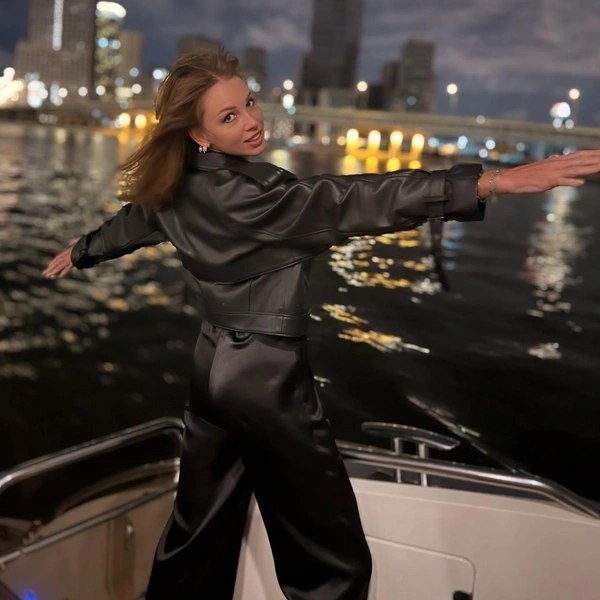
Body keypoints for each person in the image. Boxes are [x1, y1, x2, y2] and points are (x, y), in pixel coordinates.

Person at [42, 47, 600, 599]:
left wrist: (84, 250)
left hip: (211, 371)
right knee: (330, 560)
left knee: (197, 531)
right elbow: (352, 198)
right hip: (265, 379)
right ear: (199, 134)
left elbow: (133, 222)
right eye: (229, 116)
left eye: (249, 102)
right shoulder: (259, 199)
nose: (252, 120)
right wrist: (488, 183)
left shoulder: (174, 190)